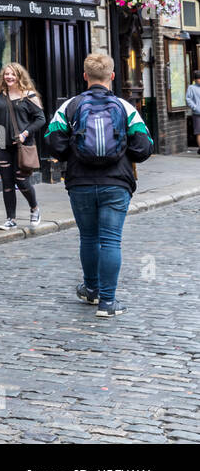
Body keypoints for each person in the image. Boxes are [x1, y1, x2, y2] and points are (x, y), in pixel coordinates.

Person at [45, 53, 154, 317]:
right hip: (116, 183)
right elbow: (144, 148)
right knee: (111, 240)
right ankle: (108, 302)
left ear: (85, 76)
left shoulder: (70, 106)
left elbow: (53, 142)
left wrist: (74, 148)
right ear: (112, 76)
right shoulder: (124, 107)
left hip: (80, 182)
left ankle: (91, 290)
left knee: (89, 237)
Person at [0, 63, 46, 230]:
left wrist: (24, 134)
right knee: (7, 182)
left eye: (12, 74)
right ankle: (10, 218)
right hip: (1, 145)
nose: (9, 77)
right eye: (6, 74)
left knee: (22, 180)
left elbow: (40, 119)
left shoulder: (28, 96)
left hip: (23, 145)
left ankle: (34, 208)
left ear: (19, 76)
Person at [186, 70, 200, 154]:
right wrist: (195, 108)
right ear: (195, 80)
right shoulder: (191, 88)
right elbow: (188, 99)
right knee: (199, 132)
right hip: (197, 113)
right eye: (198, 79)